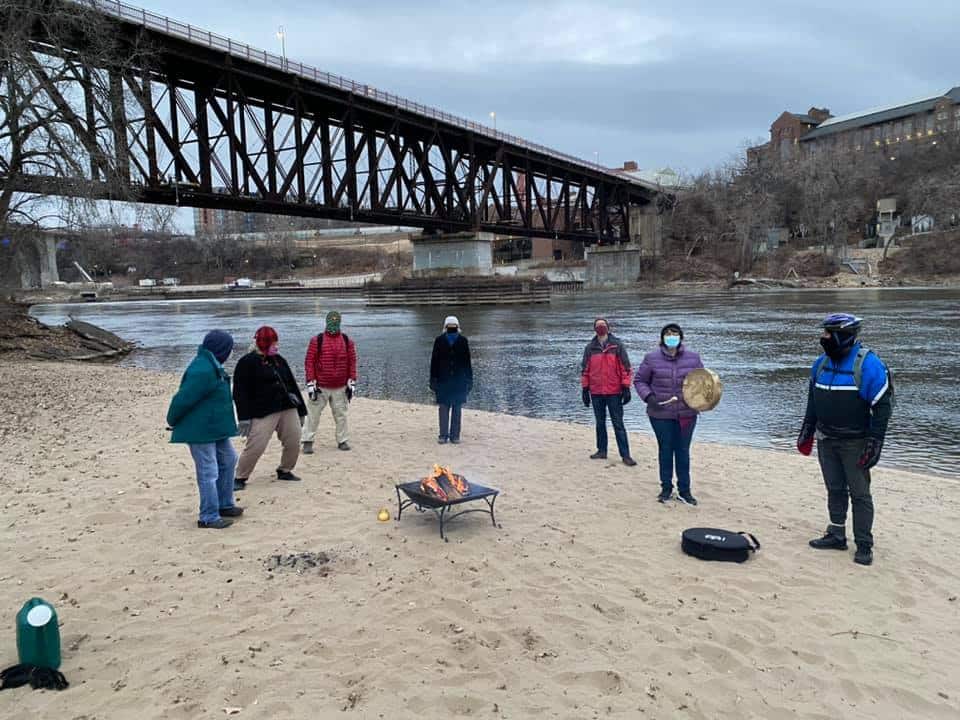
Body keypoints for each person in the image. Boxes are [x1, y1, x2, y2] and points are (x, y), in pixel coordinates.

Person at [797, 313, 894, 566]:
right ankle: (836, 535)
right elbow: (813, 399)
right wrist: (807, 427)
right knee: (835, 488)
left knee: (860, 494)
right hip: (826, 438)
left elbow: (883, 407)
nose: (823, 338)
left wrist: (875, 442)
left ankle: (863, 544)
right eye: (824, 333)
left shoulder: (869, 365)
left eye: (828, 334)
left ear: (844, 336)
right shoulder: (820, 364)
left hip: (855, 442)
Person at [166, 330, 242, 529]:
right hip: (200, 430)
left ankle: (224, 504)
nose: (231, 353)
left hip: (214, 427)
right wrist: (172, 420)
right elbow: (183, 399)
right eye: (229, 349)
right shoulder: (202, 369)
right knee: (208, 470)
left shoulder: (211, 364)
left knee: (229, 459)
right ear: (222, 349)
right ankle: (208, 516)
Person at [634, 323, 704, 505]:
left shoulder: (694, 358)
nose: (671, 336)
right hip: (660, 413)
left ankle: (685, 491)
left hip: (686, 414)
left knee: (682, 451)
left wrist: (703, 400)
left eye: (674, 333)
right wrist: (649, 398)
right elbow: (640, 380)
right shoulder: (651, 358)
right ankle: (666, 488)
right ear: (662, 337)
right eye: (667, 333)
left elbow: (703, 382)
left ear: (681, 337)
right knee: (665, 450)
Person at [233, 326, 307, 488]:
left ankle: (285, 470)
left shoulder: (279, 360)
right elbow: (240, 392)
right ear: (263, 343)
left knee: (294, 439)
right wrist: (244, 417)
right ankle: (240, 477)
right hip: (262, 410)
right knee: (256, 445)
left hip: (287, 406)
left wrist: (301, 410)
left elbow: (292, 385)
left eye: (277, 342)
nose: (277, 345)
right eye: (273, 342)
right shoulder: (246, 362)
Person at [580, 317, 636, 466]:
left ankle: (625, 455)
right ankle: (602, 450)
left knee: (618, 423)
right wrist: (585, 389)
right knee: (600, 423)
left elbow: (626, 368)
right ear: (594, 329)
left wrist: (626, 387)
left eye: (603, 325)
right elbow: (585, 370)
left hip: (614, 391)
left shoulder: (617, 345)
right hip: (596, 391)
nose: (601, 328)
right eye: (598, 326)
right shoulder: (589, 348)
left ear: (608, 328)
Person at [301, 310, 358, 453]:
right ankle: (307, 440)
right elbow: (309, 362)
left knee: (341, 415)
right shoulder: (316, 340)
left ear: (339, 323)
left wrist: (351, 381)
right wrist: (311, 383)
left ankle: (342, 440)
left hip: (340, 385)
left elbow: (352, 362)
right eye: (332, 322)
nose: (334, 324)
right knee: (313, 415)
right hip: (320, 385)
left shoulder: (347, 341)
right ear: (327, 322)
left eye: (336, 322)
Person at [429, 316, 473, 444]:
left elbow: (467, 362)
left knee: (454, 409)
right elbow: (434, 362)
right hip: (444, 381)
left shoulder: (463, 341)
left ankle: (452, 436)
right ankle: (446, 435)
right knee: (446, 408)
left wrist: (469, 380)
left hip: (458, 381)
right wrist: (433, 379)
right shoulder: (439, 340)